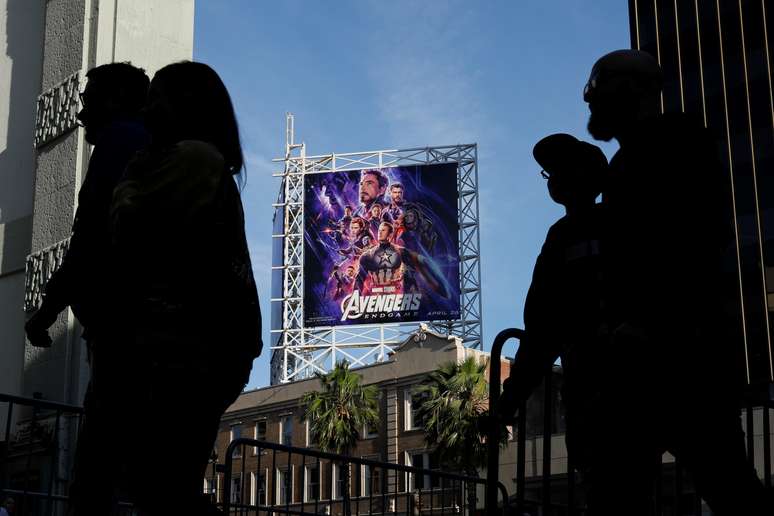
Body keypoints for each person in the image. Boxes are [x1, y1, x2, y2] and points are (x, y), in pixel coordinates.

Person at [581, 49, 769, 515]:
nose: (591, 104)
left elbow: (699, 240)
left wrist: (649, 322)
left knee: (725, 485)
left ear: (633, 91)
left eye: (601, 93)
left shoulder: (675, 144)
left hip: (682, 354)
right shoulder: (627, 163)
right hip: (651, 357)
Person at [109, 61, 262, 515]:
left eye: (159, 97)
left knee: (159, 485)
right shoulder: (200, 162)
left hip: (187, 352)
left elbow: (133, 227)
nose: (148, 108)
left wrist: (131, 174)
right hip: (201, 351)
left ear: (186, 106)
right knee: (163, 482)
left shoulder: (192, 160)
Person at [22, 62, 151, 516]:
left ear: (115, 100)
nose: (80, 109)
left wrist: (47, 309)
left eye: (89, 98)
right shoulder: (152, 147)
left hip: (123, 330)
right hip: (144, 331)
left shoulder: (120, 142)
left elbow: (91, 235)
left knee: (97, 472)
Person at [497, 134, 608, 494]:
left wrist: (507, 403)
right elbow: (542, 328)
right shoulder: (565, 235)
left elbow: (543, 330)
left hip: (608, 390)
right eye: (550, 173)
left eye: (559, 172)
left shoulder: (567, 236)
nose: (554, 180)